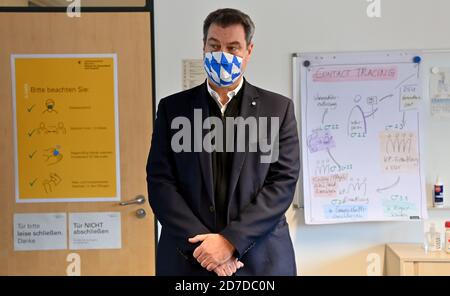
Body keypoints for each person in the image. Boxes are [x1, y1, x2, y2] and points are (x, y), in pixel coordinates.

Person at [147, 8, 300, 276]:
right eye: (214, 46)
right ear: (203, 47)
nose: (222, 55)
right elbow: (160, 182)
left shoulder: (278, 109)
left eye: (233, 48)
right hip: (190, 259)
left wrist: (231, 242)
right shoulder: (173, 109)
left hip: (261, 260)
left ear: (249, 51)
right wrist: (207, 249)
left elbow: (282, 183)